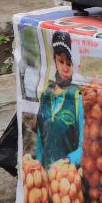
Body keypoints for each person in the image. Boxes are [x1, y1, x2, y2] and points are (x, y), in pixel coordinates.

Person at [35, 31, 83, 169]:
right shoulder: (46, 94)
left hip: (66, 179)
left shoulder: (77, 97)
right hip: (43, 181)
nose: (65, 68)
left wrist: (67, 161)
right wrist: (37, 168)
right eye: (61, 61)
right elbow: (40, 141)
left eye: (69, 63)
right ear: (54, 60)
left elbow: (84, 148)